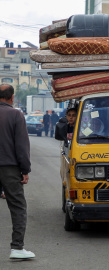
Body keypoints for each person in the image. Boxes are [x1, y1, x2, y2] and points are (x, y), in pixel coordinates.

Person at [0, 84, 35, 259]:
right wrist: (25, 170)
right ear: (12, 97)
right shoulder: (15, 115)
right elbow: (21, 146)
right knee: (18, 207)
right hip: (9, 168)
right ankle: (17, 248)